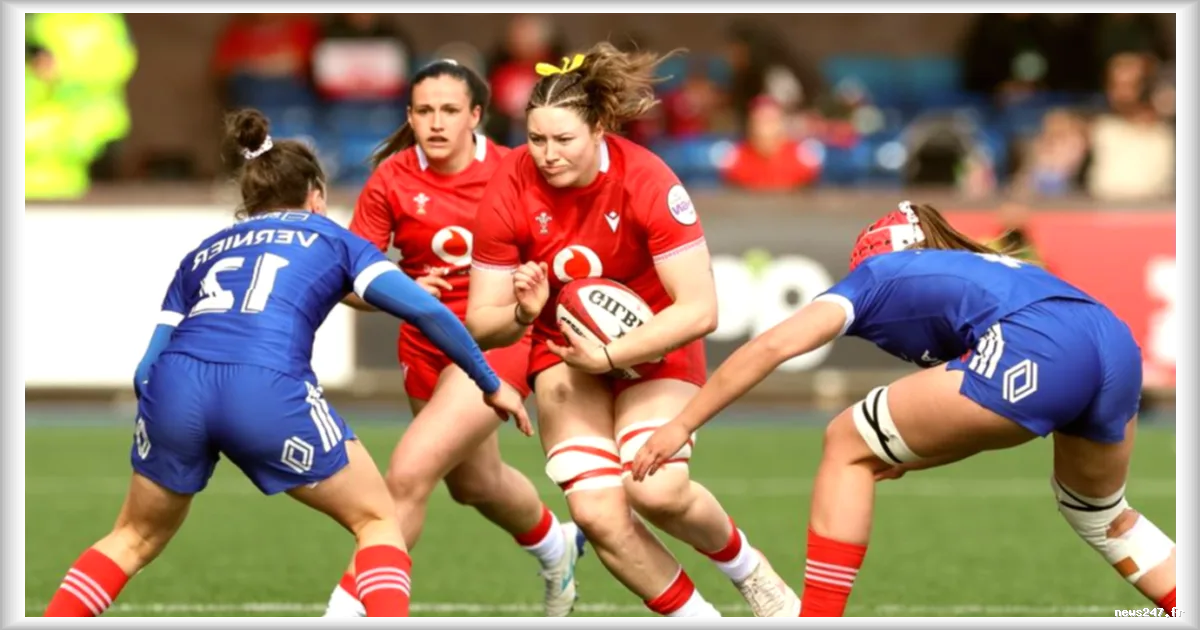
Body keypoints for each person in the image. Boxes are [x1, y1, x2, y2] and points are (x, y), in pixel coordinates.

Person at [41, 108, 532, 619]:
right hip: (264, 386)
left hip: (176, 384)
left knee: (133, 535)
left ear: (250, 201)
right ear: (316, 195)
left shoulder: (203, 251)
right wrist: (488, 380)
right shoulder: (333, 237)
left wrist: (178, 426)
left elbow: (146, 369)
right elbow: (428, 310)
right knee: (378, 520)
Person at [632, 201, 1178, 618]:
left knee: (846, 443)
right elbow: (973, 417)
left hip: (1037, 342)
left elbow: (771, 347)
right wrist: (910, 455)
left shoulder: (875, 276)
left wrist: (680, 424)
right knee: (1101, 514)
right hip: (1112, 342)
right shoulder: (983, 267)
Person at [465, 43, 801, 618]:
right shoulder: (507, 186)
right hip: (564, 356)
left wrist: (611, 352)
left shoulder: (646, 179)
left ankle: (751, 573)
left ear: (597, 128)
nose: (546, 155)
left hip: (654, 344)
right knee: (596, 515)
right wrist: (523, 313)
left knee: (658, 491)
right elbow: (481, 325)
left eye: (563, 140)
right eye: (536, 139)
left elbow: (700, 310)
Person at [322, 59, 585, 619]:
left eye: (449, 110)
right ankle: (556, 547)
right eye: (424, 111)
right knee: (476, 483)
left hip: (500, 339)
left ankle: (346, 610)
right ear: (409, 117)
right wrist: (400, 286)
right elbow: (346, 284)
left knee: (408, 474)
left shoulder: (518, 168)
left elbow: (565, 237)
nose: (436, 123)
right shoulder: (391, 179)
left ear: (476, 116)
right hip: (425, 345)